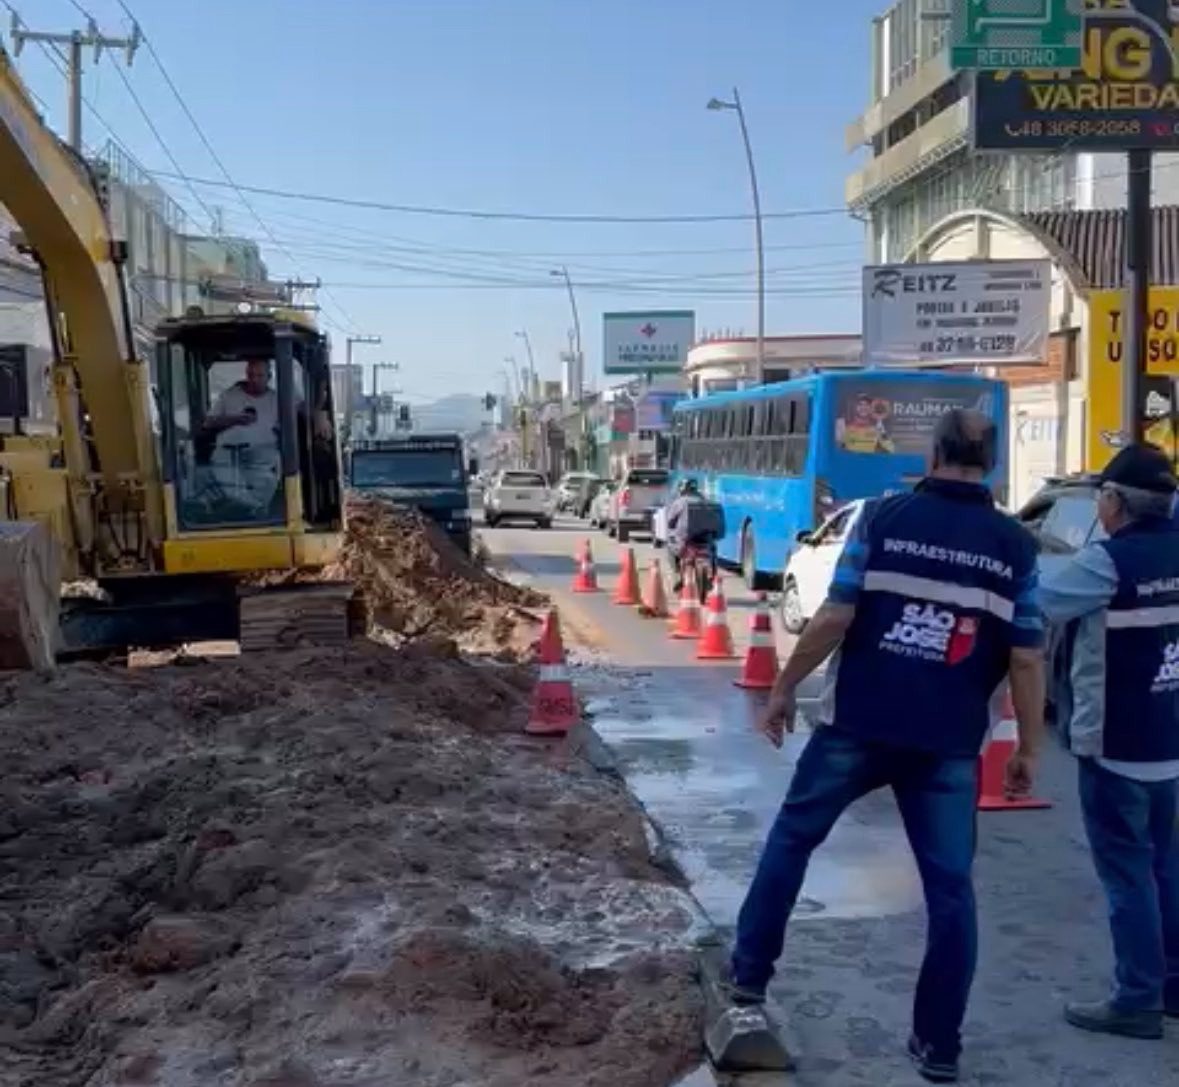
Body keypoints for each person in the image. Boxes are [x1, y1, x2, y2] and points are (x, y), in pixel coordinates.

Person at [728, 409, 1045, 1085]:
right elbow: (1025, 656)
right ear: (988, 463)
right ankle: (938, 1046)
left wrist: (784, 685)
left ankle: (747, 980)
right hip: (948, 744)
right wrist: (1028, 750)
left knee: (791, 840)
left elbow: (835, 612)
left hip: (858, 725)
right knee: (951, 892)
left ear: (932, 454)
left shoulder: (882, 518)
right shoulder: (1014, 546)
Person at [1039, 443, 1179, 1040]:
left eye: (1103, 495)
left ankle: (1137, 998)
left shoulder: (1107, 562)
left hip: (1115, 743)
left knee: (1128, 875)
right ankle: (1170, 989)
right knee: (1166, 868)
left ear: (1116, 502)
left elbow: (1041, 604)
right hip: (1169, 740)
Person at [665, 477, 712, 590]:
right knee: (712, 550)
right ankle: (711, 577)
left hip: (685, 539)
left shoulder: (679, 502)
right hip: (705, 537)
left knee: (670, 548)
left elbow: (670, 521)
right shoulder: (705, 501)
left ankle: (677, 577)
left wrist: (672, 526)